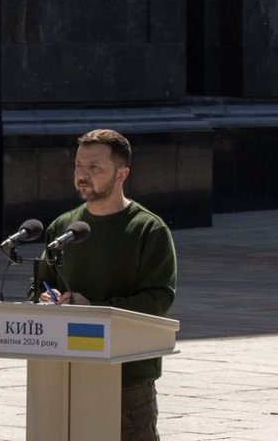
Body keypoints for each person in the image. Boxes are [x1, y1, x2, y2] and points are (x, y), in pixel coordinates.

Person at [29, 128, 176, 441]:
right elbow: (39, 286)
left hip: (126, 374)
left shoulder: (148, 229)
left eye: (94, 168)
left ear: (121, 173)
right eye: (79, 166)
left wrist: (94, 309)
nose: (83, 175)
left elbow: (158, 299)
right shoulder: (63, 227)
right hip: (65, 368)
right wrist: (46, 298)